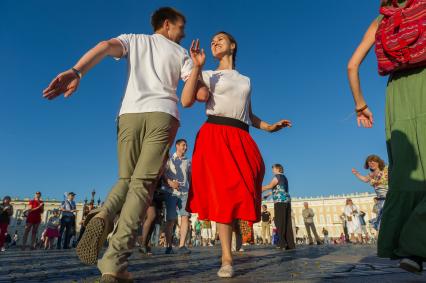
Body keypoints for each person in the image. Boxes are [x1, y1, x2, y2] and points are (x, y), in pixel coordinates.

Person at [43, 7, 197, 282]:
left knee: (126, 178)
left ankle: (103, 214)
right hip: (162, 114)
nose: (184, 33)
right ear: (167, 24)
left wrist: (77, 71)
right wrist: (198, 70)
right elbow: (191, 94)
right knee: (142, 185)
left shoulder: (133, 39)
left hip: (128, 115)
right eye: (181, 27)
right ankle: (114, 260)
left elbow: (104, 46)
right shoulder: (181, 53)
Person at [182, 32, 291, 278]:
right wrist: (197, 69)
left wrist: (271, 127)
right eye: (212, 41)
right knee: (222, 195)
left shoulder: (246, 80)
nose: (214, 42)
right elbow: (191, 99)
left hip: (241, 137)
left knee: (245, 186)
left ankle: (234, 246)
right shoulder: (209, 74)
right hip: (215, 134)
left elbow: (249, 115)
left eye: (220, 39)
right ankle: (226, 257)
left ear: (233, 45)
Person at [347, 0, 426, 273]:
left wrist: (360, 104)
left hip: (398, 96)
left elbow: (351, 67)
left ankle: (411, 251)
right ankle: (416, 244)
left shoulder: (381, 20)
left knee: (406, 175)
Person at [163, 139, 192, 254]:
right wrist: (170, 182)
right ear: (177, 146)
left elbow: (189, 176)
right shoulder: (169, 158)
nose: (185, 148)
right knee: (171, 219)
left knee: (185, 217)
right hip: (171, 192)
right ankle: (169, 245)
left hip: (184, 193)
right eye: (183, 145)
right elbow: (163, 173)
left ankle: (181, 245)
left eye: (186, 145)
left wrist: (190, 189)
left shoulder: (188, 161)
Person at [262, 164, 295, 250]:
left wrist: (258, 188)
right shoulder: (284, 178)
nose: (272, 171)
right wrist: (267, 195)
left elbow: (270, 186)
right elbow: (277, 188)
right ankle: (290, 244)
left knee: (280, 222)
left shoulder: (277, 176)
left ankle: (282, 244)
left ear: (277, 168)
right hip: (287, 201)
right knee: (287, 223)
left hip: (279, 201)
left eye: (273, 169)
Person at [352, 155, 388, 231]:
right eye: (369, 163)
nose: (371, 164)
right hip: (380, 200)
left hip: (388, 198)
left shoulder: (385, 170)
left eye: (373, 162)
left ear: (378, 162)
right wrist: (356, 174)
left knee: (384, 220)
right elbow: (365, 179)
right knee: (381, 222)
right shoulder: (371, 174)